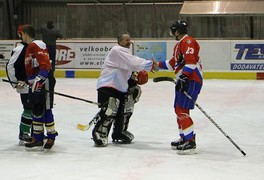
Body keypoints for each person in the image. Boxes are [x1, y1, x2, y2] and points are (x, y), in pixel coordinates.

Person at [92, 33, 158, 147]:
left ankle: (119, 132)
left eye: (129, 40)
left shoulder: (125, 54)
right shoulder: (117, 51)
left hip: (119, 88)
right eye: (126, 40)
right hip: (108, 86)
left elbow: (129, 69)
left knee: (126, 106)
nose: (128, 41)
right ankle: (99, 132)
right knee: (110, 110)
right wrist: (150, 64)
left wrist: (134, 81)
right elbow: (133, 63)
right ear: (119, 41)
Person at [157, 20, 202, 154]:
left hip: (191, 80)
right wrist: (156, 65)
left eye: (173, 30)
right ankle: (184, 137)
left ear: (177, 31)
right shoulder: (179, 44)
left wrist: (184, 76)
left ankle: (190, 142)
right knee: (179, 109)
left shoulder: (188, 41)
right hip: (184, 80)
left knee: (181, 110)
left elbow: (191, 62)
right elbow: (172, 64)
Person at [21, 25, 58, 150]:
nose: (21, 37)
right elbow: (33, 67)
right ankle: (37, 138)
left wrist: (40, 79)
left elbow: (45, 65)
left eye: (22, 34)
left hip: (44, 82)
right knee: (36, 109)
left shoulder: (37, 44)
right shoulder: (30, 47)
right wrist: (28, 80)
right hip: (35, 82)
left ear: (25, 33)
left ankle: (51, 137)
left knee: (46, 109)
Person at [6, 24, 32, 145]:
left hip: (29, 83)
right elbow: (9, 66)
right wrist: (15, 83)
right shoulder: (19, 49)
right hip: (23, 85)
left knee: (31, 108)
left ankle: (30, 132)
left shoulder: (29, 47)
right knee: (28, 108)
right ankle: (24, 133)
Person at [111, 71, 144, 143]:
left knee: (127, 113)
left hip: (126, 96)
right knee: (122, 113)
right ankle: (118, 132)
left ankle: (121, 130)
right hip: (122, 95)